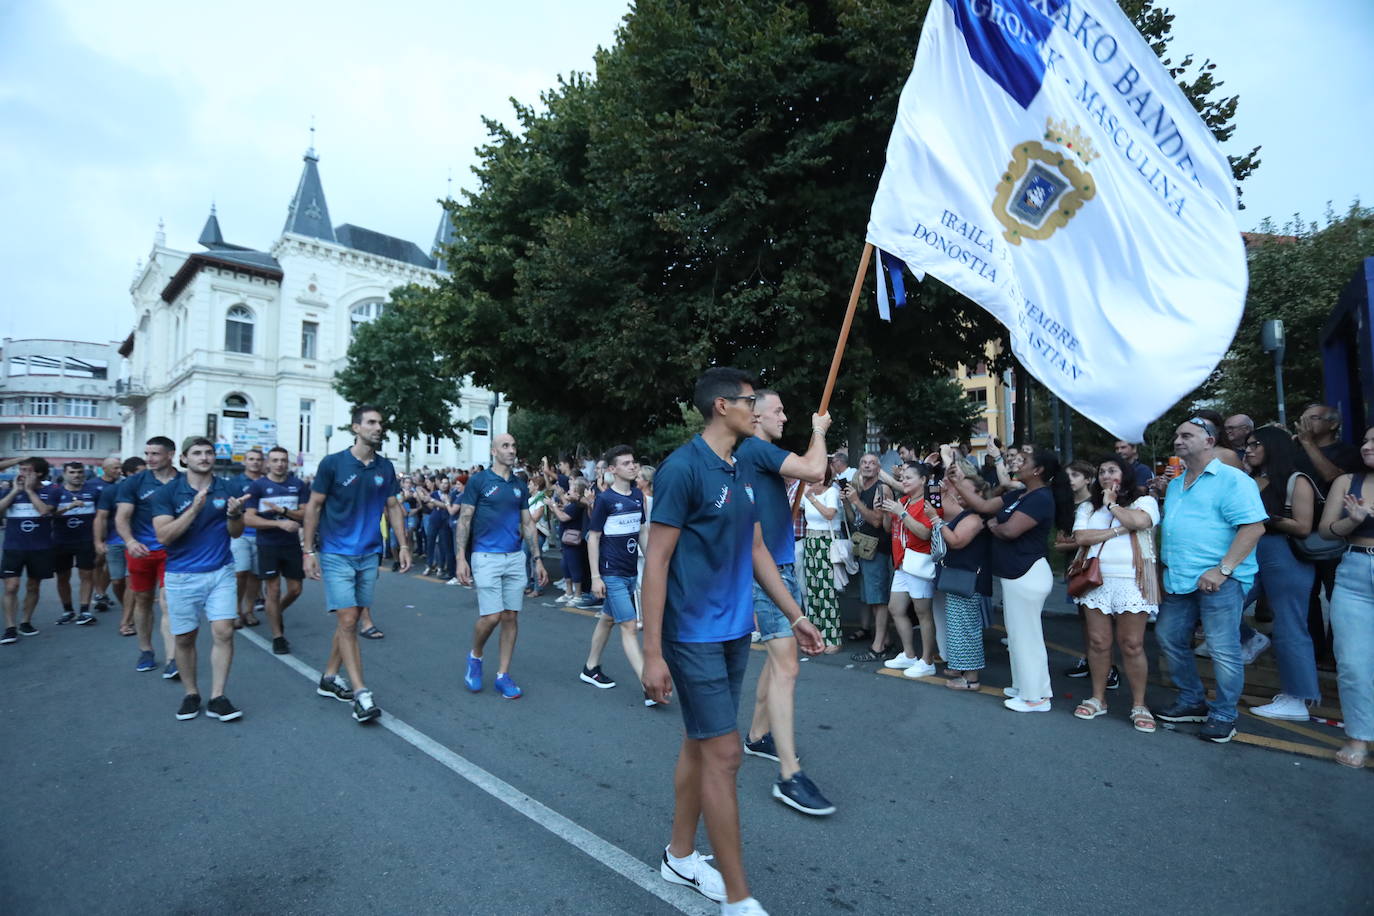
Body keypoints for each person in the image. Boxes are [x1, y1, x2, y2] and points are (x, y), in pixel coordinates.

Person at [641, 368, 824, 914]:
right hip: (690, 634)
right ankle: (739, 898)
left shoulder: (741, 467)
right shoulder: (682, 469)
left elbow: (758, 550)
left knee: (701, 743)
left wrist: (795, 616)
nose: (758, 409)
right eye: (751, 401)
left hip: (733, 632)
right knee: (725, 755)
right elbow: (656, 562)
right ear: (723, 406)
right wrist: (652, 652)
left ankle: (679, 854)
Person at [733, 389, 833, 817]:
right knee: (788, 665)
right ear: (755, 417)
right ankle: (789, 776)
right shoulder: (755, 448)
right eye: (776, 411)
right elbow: (815, 469)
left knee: (777, 661)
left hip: (779, 565)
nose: (784, 416)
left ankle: (757, 736)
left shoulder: (756, 454)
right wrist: (818, 430)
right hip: (768, 571)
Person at [1154, 417, 1267, 743]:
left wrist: (1223, 569)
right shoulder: (1177, 484)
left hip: (1221, 580)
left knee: (1223, 648)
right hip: (1180, 578)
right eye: (1177, 434)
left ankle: (1224, 715)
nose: (1178, 439)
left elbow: (1254, 528)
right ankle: (1192, 700)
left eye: (1186, 434)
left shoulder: (1232, 479)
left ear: (1209, 441)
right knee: (1169, 637)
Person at [302, 405, 411, 724]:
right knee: (349, 619)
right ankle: (361, 694)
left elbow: (393, 507)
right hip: (336, 553)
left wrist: (402, 545)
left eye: (381, 423)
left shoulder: (385, 467)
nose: (378, 427)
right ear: (356, 428)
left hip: (369, 554)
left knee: (348, 620)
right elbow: (313, 508)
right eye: (372, 422)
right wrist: (308, 551)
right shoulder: (333, 463)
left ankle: (330, 676)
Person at [954, 446, 1061, 712]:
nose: (1016, 463)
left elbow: (1010, 531)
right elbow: (982, 506)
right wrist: (956, 482)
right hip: (1016, 574)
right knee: (1017, 636)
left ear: (1038, 470)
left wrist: (993, 526)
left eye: (1023, 461)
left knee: (1027, 637)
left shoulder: (1041, 498)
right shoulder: (1020, 494)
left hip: (1027, 573)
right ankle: (1024, 686)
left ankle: (1036, 697)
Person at [151, 438, 247, 722]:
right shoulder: (167, 493)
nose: (204, 457)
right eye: (197, 453)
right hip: (181, 575)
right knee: (185, 638)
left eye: (209, 452)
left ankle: (218, 697)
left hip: (221, 571)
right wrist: (193, 509)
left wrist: (235, 515)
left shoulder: (228, 487)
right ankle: (191, 693)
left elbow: (237, 532)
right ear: (184, 458)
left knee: (224, 631)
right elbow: (164, 536)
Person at [1069, 456, 1161, 732]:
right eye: (1101, 471)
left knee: (1132, 644)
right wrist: (1118, 529)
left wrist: (1113, 505)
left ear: (1126, 474)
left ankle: (1139, 704)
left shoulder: (1144, 501)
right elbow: (1081, 538)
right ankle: (1098, 698)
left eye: (1112, 470)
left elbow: (1141, 522)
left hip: (1133, 581)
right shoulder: (1088, 506)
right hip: (1096, 581)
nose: (1106, 475)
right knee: (1098, 642)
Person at [454, 433, 547, 699]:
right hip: (485, 556)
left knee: (510, 616)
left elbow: (528, 523)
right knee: (491, 616)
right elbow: (464, 519)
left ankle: (502, 675)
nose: (511, 450)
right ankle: (476, 656)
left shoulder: (519, 484)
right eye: (505, 446)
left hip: (515, 557)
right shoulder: (479, 481)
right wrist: (461, 558)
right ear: (494, 451)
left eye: (514, 445)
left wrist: (537, 559)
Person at [1242, 427, 1321, 721]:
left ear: (1272, 446)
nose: (1248, 449)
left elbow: (1303, 526)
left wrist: (1267, 518)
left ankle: (1298, 697)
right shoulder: (1252, 479)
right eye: (1247, 444)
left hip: (1283, 553)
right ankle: (1252, 640)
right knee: (1219, 606)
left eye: (1255, 444)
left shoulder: (1295, 480)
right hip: (1249, 550)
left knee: (1290, 626)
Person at [1317, 424, 1374, 768]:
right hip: (1354, 570)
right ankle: (1359, 736)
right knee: (1352, 663)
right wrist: (1352, 522)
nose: (1367, 446)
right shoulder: (1346, 482)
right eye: (1366, 440)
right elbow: (1326, 531)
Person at [579, 445, 650, 696]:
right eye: (626, 463)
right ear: (612, 470)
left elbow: (641, 530)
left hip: (631, 571)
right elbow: (593, 537)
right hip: (611, 573)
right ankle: (648, 685)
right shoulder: (606, 499)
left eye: (634, 462)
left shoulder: (637, 496)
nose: (632, 466)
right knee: (629, 626)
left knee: (608, 619)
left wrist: (651, 563)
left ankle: (590, 668)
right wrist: (596, 577)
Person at [116, 437, 182, 675]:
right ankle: (146, 650)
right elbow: (122, 517)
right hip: (141, 551)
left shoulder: (184, 481)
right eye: (147, 453)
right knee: (143, 601)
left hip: (172, 552)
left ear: (170, 455)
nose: (149, 458)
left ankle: (173, 659)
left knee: (168, 603)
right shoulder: (134, 482)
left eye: (155, 454)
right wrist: (130, 541)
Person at [244, 446, 308, 655]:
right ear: (268, 463)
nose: (279, 464)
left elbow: (305, 514)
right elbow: (248, 518)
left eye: (283, 460)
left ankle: (276, 611)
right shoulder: (258, 486)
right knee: (272, 590)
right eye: (275, 460)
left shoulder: (297, 485)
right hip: (268, 544)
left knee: (296, 589)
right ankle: (277, 636)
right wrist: (278, 524)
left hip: (290, 544)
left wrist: (283, 511)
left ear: (288, 462)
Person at [879, 462, 940, 678]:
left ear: (923, 480)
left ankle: (928, 660)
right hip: (902, 564)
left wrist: (901, 513)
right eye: (902, 477)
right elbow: (888, 529)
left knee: (923, 613)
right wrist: (887, 511)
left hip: (919, 564)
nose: (903, 481)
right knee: (895, 608)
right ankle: (909, 654)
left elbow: (925, 533)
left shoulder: (928, 503)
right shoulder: (902, 501)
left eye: (908, 477)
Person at [937, 459, 992, 691]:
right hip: (963, 577)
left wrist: (936, 521)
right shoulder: (969, 513)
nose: (959, 493)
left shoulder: (974, 517)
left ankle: (971, 679)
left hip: (969, 579)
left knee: (967, 629)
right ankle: (965, 673)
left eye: (965, 490)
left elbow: (957, 541)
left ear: (979, 493)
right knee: (960, 628)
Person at [1, 458, 59, 644]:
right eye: (21, 469)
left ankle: (25, 622)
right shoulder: (9, 490)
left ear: (39, 474)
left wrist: (29, 491)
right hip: (13, 547)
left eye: (27, 470)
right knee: (11, 586)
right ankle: (10, 628)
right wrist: (15, 491)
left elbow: (44, 511)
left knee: (33, 585)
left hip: (40, 548)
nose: (22, 473)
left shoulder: (51, 491)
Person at [845, 453, 892, 660]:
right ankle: (885, 640)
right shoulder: (862, 489)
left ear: (878, 468)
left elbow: (876, 522)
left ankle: (878, 647)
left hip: (878, 550)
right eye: (863, 462)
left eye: (872, 463)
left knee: (879, 600)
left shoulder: (882, 489)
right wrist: (848, 502)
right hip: (864, 549)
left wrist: (856, 500)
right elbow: (854, 521)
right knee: (872, 600)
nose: (867, 466)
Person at [51, 461, 103, 626]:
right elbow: (48, 514)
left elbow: (100, 517)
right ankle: (67, 610)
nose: (76, 475)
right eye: (72, 472)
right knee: (62, 577)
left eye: (79, 472)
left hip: (85, 540)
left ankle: (84, 611)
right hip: (61, 541)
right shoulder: (56, 492)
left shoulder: (93, 491)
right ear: (65, 474)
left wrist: (100, 539)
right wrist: (69, 507)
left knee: (86, 575)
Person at [95, 456, 142, 635]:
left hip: (137, 543)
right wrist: (98, 541)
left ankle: (126, 621)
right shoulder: (112, 491)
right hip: (115, 543)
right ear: (128, 474)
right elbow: (101, 517)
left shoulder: (146, 491)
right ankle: (128, 608)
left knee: (131, 581)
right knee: (117, 581)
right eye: (140, 473)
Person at [798, 470, 842, 651]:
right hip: (811, 540)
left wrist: (812, 498)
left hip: (826, 542)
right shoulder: (807, 492)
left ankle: (833, 638)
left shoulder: (831, 492)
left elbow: (830, 514)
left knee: (827, 591)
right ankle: (816, 636)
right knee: (813, 590)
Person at [227, 448, 266, 628]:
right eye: (251, 459)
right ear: (244, 462)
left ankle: (249, 611)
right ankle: (235, 611)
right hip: (240, 533)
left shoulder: (267, 481)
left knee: (256, 576)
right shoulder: (234, 483)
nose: (255, 462)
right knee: (240, 572)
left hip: (263, 534)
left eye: (258, 459)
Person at [89, 454, 123, 613]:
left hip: (116, 531)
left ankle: (100, 592)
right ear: (104, 470)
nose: (119, 470)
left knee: (110, 564)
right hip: (99, 529)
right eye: (115, 468)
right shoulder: (92, 485)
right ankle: (99, 592)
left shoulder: (122, 484)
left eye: (119, 467)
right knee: (97, 562)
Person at [550, 479, 589, 606]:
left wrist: (554, 506)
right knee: (565, 566)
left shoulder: (578, 505)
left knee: (574, 566)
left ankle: (577, 594)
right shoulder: (573, 505)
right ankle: (568, 592)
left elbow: (563, 517)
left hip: (574, 542)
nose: (568, 491)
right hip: (567, 542)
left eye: (571, 490)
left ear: (578, 494)